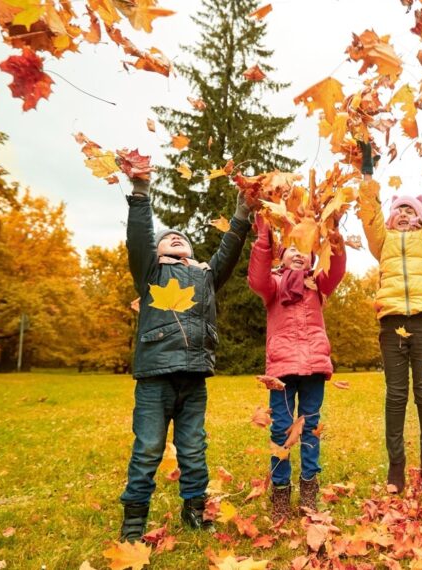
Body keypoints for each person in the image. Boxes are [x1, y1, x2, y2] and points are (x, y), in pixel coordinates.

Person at [119, 174, 251, 542]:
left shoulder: (206, 277)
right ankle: (133, 520)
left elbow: (229, 251)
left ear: (192, 252)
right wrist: (141, 193)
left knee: (194, 448)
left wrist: (242, 211)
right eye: (167, 238)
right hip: (155, 376)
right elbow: (139, 238)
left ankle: (195, 509)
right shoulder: (150, 271)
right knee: (147, 448)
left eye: (182, 238)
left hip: (193, 377)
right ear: (157, 251)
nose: (175, 237)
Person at [356, 129, 422, 493]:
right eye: (400, 210)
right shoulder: (383, 242)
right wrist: (367, 177)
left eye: (412, 210)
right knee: (396, 394)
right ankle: (396, 465)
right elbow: (369, 217)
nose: (405, 214)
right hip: (392, 321)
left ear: (420, 218)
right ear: (392, 219)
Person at [248, 214, 346, 520]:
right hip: (282, 368)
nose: (298, 252)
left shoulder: (317, 284)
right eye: (291, 247)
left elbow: (337, 270)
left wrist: (333, 233)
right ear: (281, 255)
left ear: (313, 257)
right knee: (281, 427)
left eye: (304, 247)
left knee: (310, 427)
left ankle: (308, 489)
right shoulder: (273, 286)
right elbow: (257, 277)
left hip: (315, 365)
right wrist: (265, 234)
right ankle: (280, 492)